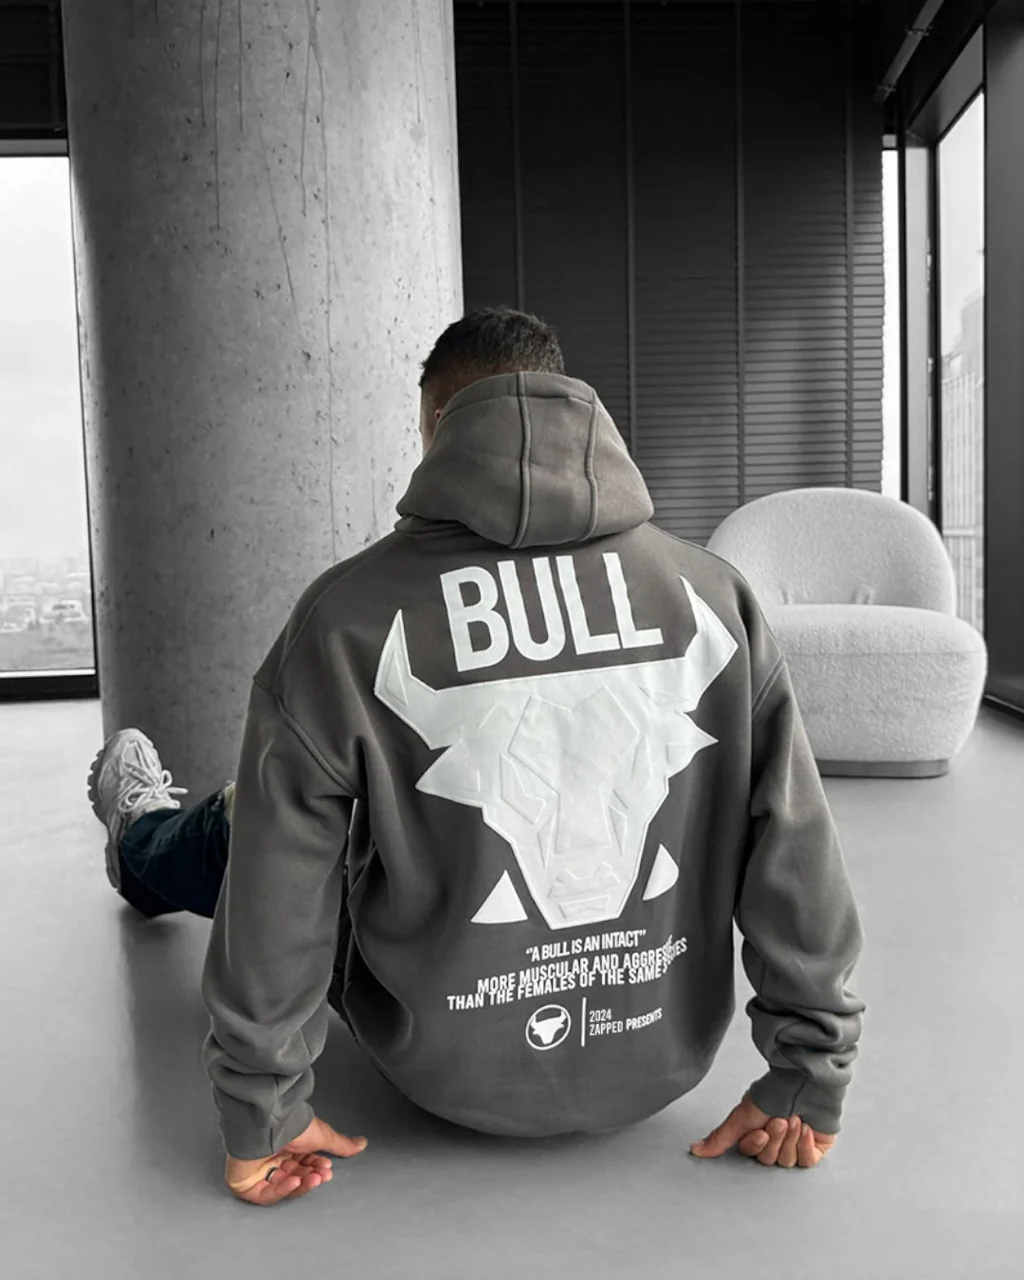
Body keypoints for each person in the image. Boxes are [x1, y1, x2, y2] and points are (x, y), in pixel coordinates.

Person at [88, 307, 864, 1206]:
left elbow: (279, 879)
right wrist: (808, 1076)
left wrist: (263, 1110)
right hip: (658, 1062)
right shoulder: (714, 598)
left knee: (252, 820)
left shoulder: (348, 616)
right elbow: (796, 849)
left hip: (436, 1068)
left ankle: (138, 834)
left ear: (437, 428)